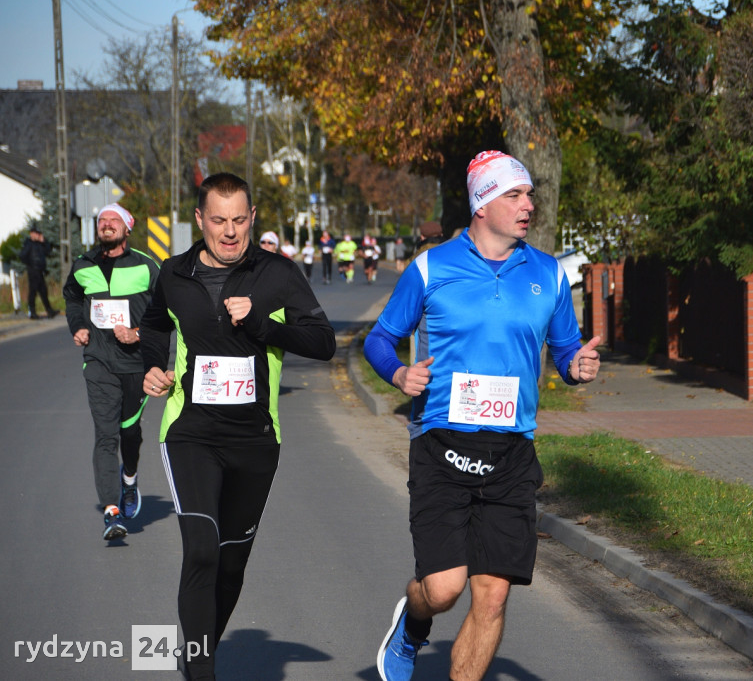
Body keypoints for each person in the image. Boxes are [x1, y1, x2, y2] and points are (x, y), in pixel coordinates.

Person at [364, 150, 602, 681]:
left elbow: (565, 351)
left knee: (492, 598)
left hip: (512, 451)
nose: (528, 205)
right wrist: (399, 376)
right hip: (441, 442)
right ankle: (412, 620)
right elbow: (380, 338)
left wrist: (576, 365)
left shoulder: (547, 273)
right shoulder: (431, 268)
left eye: (529, 195)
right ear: (481, 204)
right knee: (444, 589)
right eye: (514, 195)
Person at [140, 173, 336, 680]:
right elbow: (156, 326)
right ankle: (201, 672)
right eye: (219, 220)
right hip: (191, 432)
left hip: (255, 439)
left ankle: (198, 649)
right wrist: (154, 366)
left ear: (252, 218)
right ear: (201, 220)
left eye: (240, 220)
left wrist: (262, 324)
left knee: (230, 563)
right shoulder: (173, 273)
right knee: (202, 547)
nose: (230, 232)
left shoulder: (277, 273)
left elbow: (322, 342)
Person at [62, 203, 160, 540]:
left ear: (127, 228)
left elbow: (167, 312)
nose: (106, 225)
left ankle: (129, 479)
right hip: (99, 361)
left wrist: (138, 333)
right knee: (105, 435)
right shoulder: (83, 266)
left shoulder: (147, 266)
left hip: (137, 364)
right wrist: (78, 326)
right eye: (102, 221)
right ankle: (111, 510)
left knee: (129, 433)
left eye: (113, 220)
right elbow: (73, 298)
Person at [19, 225, 58, 319]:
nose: (38, 235)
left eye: (38, 234)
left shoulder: (40, 244)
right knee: (33, 291)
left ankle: (49, 311)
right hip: (33, 271)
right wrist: (30, 265)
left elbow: (48, 251)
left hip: (40, 271)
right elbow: (22, 256)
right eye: (36, 233)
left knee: (43, 291)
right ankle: (32, 312)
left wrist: (44, 241)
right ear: (31, 234)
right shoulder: (28, 244)